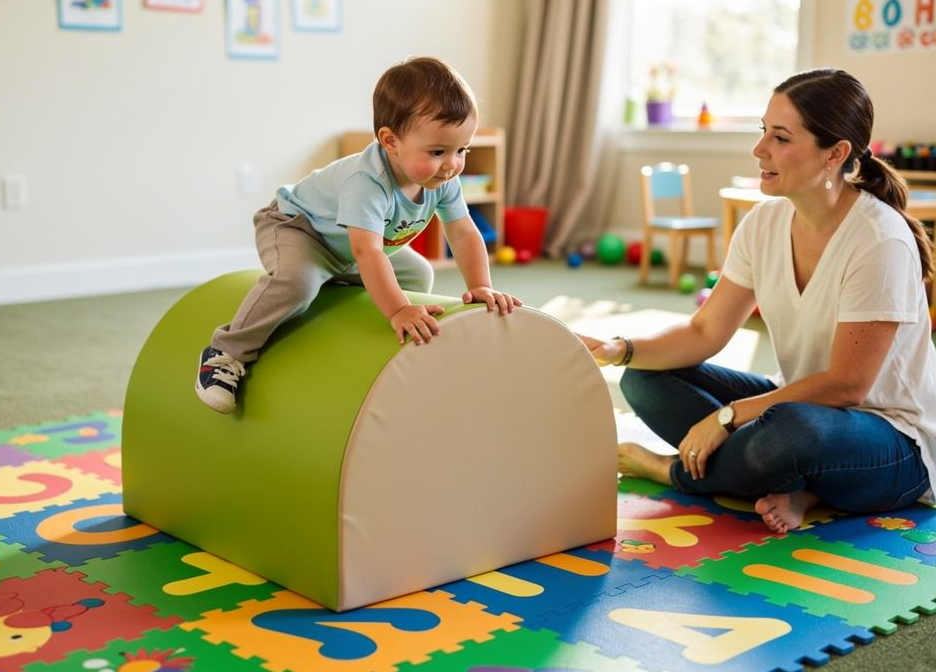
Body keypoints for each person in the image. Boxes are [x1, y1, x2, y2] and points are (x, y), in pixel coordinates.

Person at [581, 68, 936, 534]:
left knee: (789, 433)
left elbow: (846, 386)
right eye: (763, 130)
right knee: (646, 376)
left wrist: (727, 418)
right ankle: (794, 484)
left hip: (896, 438)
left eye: (781, 138)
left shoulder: (879, 239)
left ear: (836, 153)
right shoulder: (763, 224)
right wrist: (619, 349)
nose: (759, 149)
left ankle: (675, 470)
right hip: (799, 407)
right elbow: (704, 330)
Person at [195, 56, 521, 414]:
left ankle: (383, 337)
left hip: (347, 248)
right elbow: (368, 253)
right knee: (297, 283)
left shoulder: (443, 180)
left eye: (462, 150)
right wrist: (399, 309)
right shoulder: (366, 183)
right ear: (390, 141)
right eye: (437, 152)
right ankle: (226, 352)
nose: (452, 164)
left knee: (418, 273)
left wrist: (480, 285)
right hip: (298, 228)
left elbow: (462, 232)